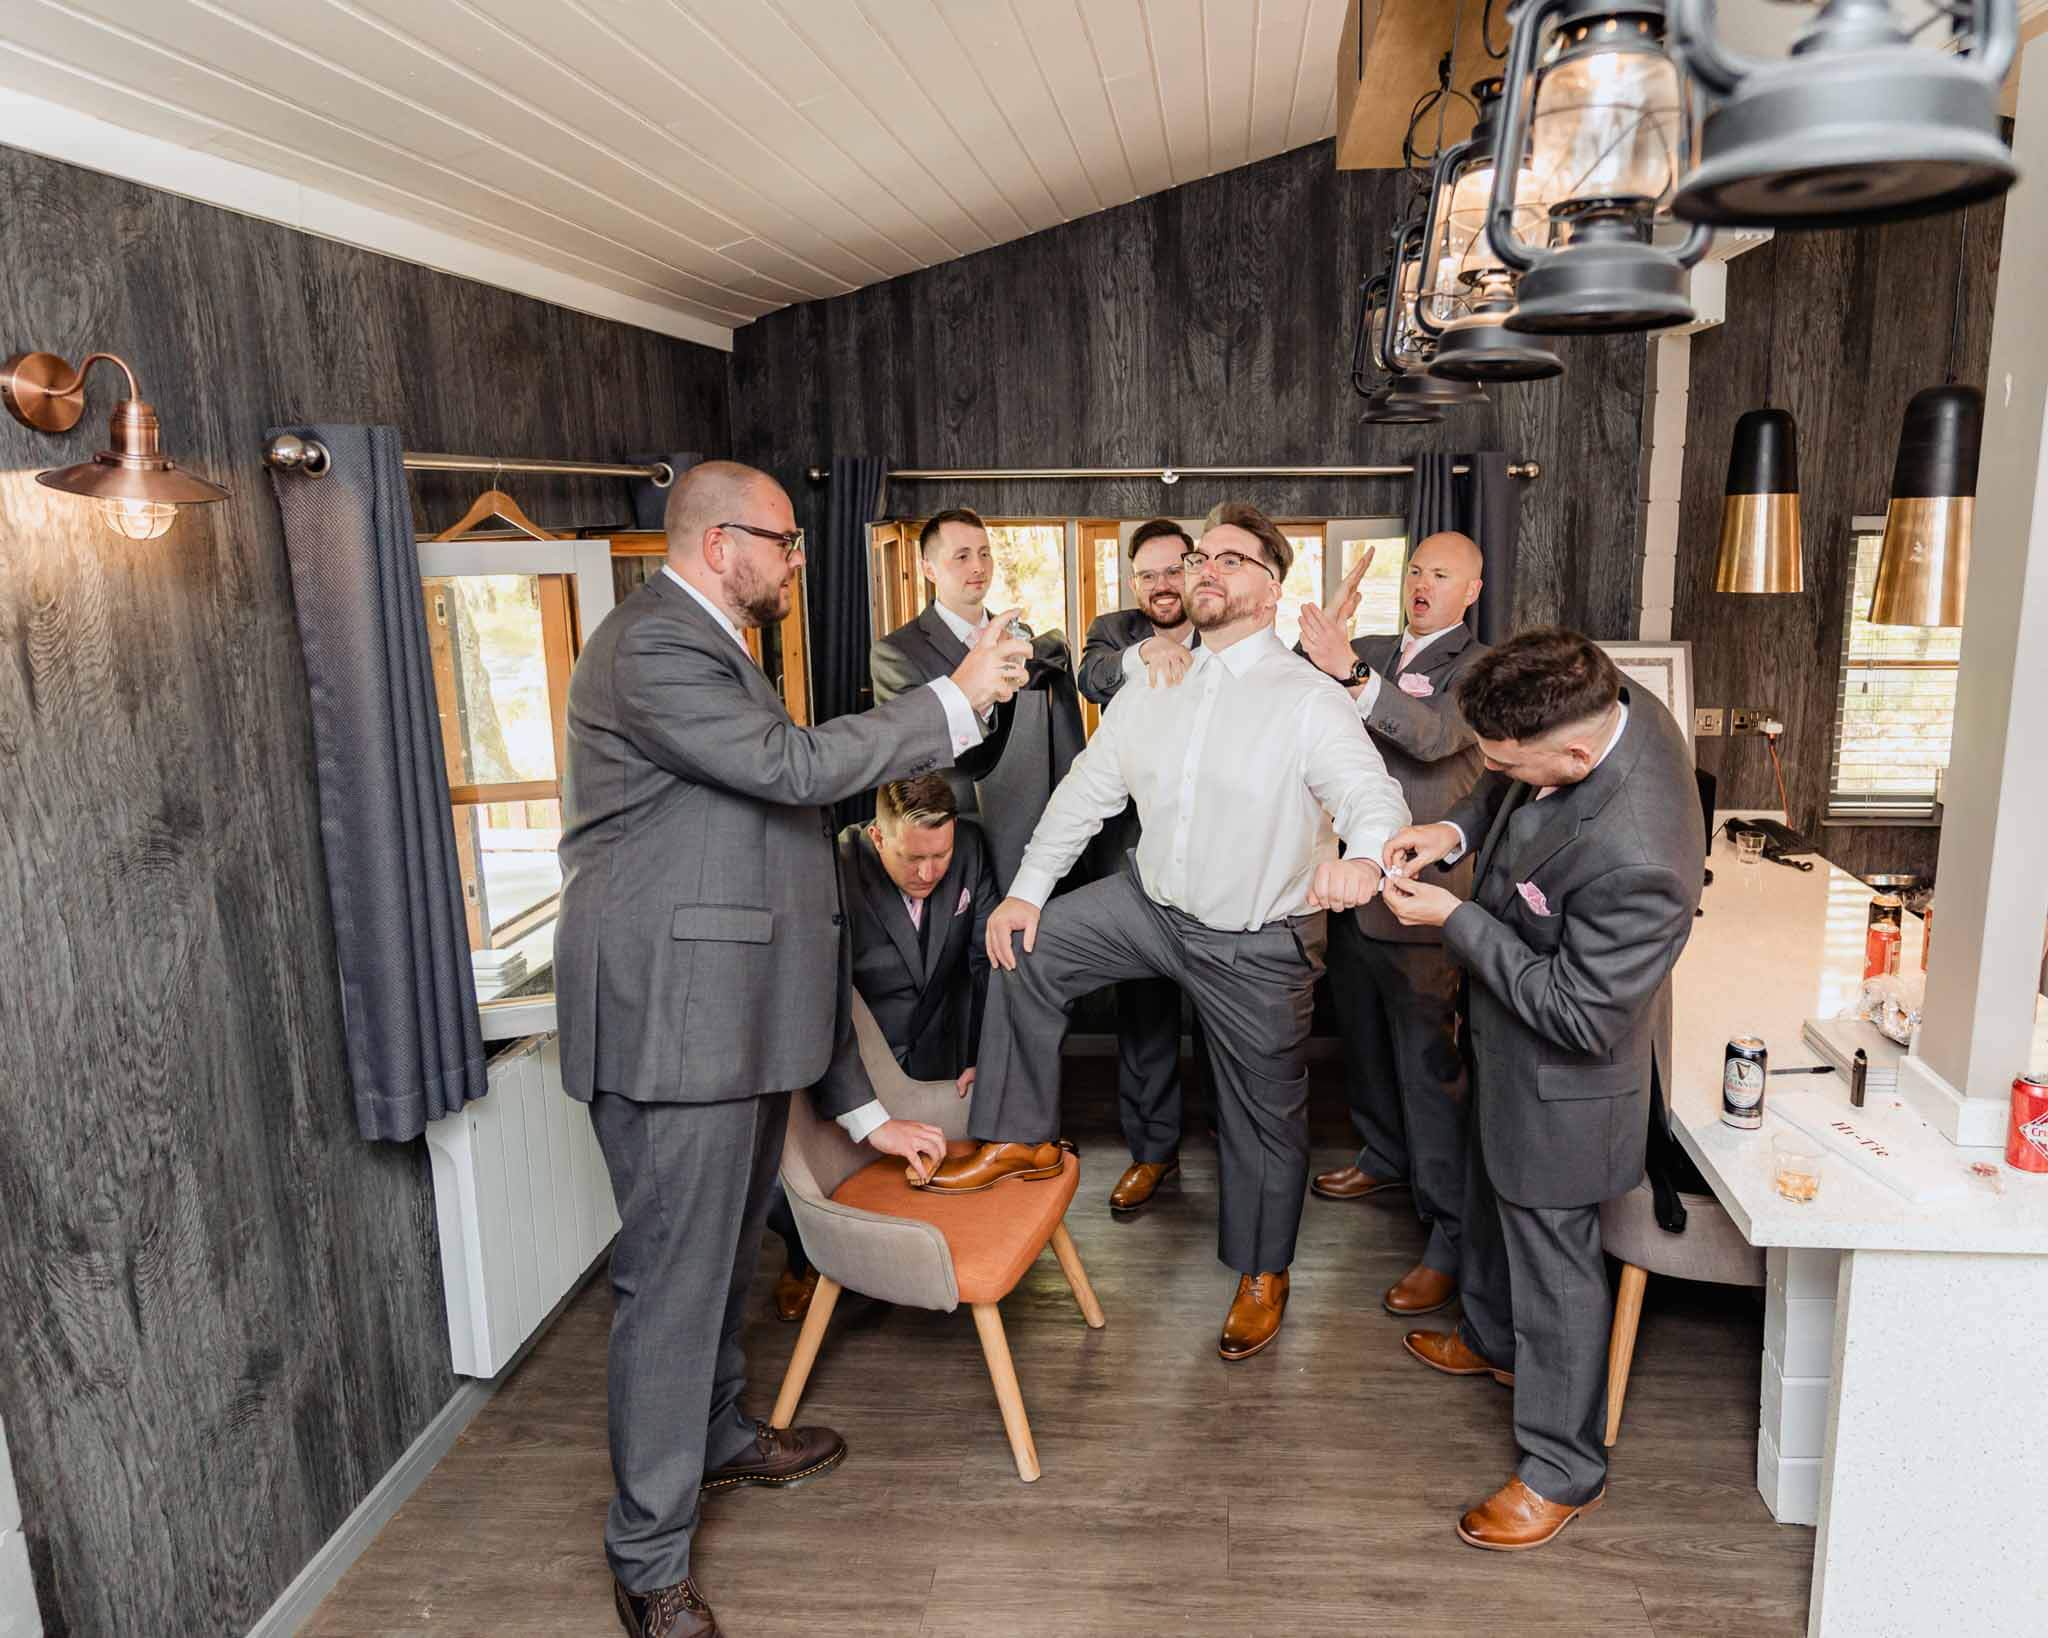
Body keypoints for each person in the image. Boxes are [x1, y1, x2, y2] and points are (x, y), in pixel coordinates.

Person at [554, 460, 1030, 1638]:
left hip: (735, 1016)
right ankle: (648, 1559)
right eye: (783, 538)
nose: (795, 557)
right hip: (677, 1022)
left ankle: (716, 1435)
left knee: (716, 1266)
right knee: (672, 1284)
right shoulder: (654, 644)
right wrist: (953, 696)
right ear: (722, 545)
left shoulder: (714, 642)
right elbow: (793, 771)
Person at [920, 502, 1411, 1363]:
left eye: (1231, 558)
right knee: (1020, 947)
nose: (1204, 570)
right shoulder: (1155, 678)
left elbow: (1374, 796)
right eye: (1199, 558)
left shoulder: (1307, 698)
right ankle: (1020, 1137)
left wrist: (1365, 855)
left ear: (1270, 591)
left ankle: (1264, 1272)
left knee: (1266, 1120)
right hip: (1150, 909)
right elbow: (1087, 792)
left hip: (1257, 942)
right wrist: (1027, 891)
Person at [1378, 628, 1704, 1553]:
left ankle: (1565, 1469)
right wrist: (1452, 830)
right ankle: (1490, 1339)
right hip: (1504, 1045)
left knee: (1558, 1271)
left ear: (1573, 752)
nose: (1493, 768)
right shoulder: (1594, 706)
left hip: (1570, 1078)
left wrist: (1455, 919)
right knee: (1492, 1191)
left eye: (1509, 759)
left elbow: (1580, 1013)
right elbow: (1506, 783)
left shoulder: (1643, 854)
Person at [1295, 532, 1490, 1319]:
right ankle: (1383, 1154)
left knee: (1429, 1071)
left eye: (1442, 574)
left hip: (1424, 900)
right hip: (1350, 889)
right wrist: (1318, 645)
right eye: (1415, 569)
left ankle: (1447, 1238)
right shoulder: (1366, 643)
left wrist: (1348, 672)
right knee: (1364, 1044)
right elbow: (1282, 694)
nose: (1423, 583)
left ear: (1471, 591)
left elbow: (1436, 737)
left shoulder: (1480, 668)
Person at [768, 774, 1001, 1322]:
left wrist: (981, 1050)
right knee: (807, 1168)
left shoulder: (967, 847)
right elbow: (819, 991)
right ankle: (804, 1259)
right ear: (877, 837)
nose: (928, 873)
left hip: (935, 1043)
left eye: (938, 857)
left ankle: (908, 1259)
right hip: (848, 1049)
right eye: (911, 858)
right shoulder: (834, 866)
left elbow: (984, 960)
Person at [1075, 517, 1212, 1214]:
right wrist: (1144, 656)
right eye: (1148, 574)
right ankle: (1152, 1152)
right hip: (1133, 853)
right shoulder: (1113, 630)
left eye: (1174, 569)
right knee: (1147, 1008)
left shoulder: (1227, 632)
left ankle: (1232, 1145)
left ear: (1196, 570)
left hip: (1221, 855)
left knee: (1226, 1012)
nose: (1163, 585)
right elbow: (1092, 673)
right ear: (1134, 583)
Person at [871, 506, 1086, 884]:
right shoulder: (897, 652)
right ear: (928, 569)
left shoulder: (1022, 638)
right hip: (954, 836)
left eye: (985, 553)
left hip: (1031, 826)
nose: (978, 566)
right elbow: (910, 753)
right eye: (962, 556)